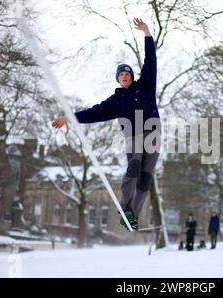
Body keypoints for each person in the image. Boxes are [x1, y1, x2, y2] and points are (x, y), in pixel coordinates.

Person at [52, 18, 160, 231]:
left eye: (128, 74)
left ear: (132, 77)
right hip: (133, 133)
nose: (125, 77)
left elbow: (151, 61)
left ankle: (132, 216)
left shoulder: (145, 85)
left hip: (154, 132)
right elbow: (96, 112)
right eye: (121, 75)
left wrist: (147, 34)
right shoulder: (117, 99)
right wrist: (69, 118)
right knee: (134, 167)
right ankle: (125, 208)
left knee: (146, 179)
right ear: (118, 80)